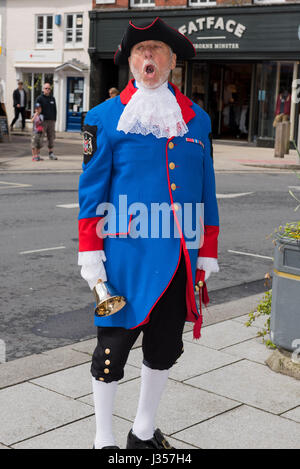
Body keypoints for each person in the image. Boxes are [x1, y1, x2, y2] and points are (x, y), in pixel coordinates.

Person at [78, 17, 219, 450]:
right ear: (129, 62)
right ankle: (103, 441)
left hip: (178, 256)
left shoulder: (197, 121)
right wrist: (90, 254)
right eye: (140, 51)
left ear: (173, 60)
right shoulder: (103, 118)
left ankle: (142, 432)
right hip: (124, 259)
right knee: (111, 352)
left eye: (157, 50)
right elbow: (91, 191)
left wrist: (206, 250)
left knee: (164, 348)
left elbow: (206, 190)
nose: (148, 58)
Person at [36, 83, 57, 160]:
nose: (47, 90)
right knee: (40, 137)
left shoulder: (52, 98)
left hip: (51, 121)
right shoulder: (39, 98)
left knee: (51, 137)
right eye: (46, 88)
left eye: (49, 89)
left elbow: (55, 109)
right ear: (43, 89)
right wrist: (38, 120)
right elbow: (37, 109)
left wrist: (54, 119)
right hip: (43, 121)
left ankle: (51, 153)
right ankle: (37, 155)